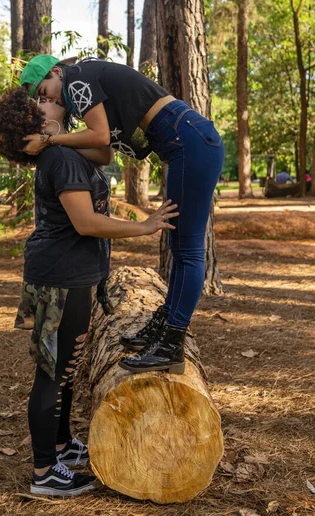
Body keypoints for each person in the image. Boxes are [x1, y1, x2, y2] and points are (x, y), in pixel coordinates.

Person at [0, 87, 178, 497]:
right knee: (53, 373)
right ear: (35, 121)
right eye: (42, 100)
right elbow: (86, 223)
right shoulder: (60, 159)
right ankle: (45, 473)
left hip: (66, 272)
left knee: (66, 367)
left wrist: (68, 130)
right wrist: (144, 226)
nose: (52, 98)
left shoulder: (60, 151)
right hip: (62, 275)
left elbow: (105, 148)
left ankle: (59, 446)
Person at [19, 55, 225, 375]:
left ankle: (172, 342)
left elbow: (101, 136)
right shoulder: (76, 89)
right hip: (184, 142)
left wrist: (50, 139)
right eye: (41, 99)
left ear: (56, 72)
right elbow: (104, 153)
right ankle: (165, 326)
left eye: (45, 91)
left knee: (188, 250)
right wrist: (51, 144)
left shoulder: (77, 78)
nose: (49, 100)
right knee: (179, 247)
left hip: (189, 140)